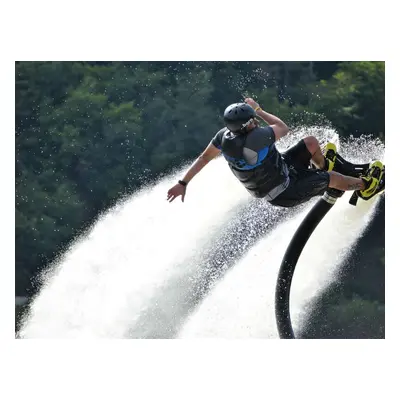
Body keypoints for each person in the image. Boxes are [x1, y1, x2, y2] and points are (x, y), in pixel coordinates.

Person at [166, 98, 383, 207]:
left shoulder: (224, 136)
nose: (254, 122)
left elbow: (204, 157)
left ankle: (325, 165)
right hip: (284, 191)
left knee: (310, 143)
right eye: (251, 120)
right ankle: (366, 186)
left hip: (281, 170)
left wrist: (183, 183)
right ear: (244, 126)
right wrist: (259, 110)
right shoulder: (255, 139)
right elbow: (282, 127)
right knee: (334, 179)